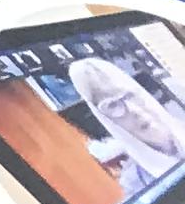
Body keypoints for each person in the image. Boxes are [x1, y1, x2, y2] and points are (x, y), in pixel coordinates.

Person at [71, 51, 185, 190]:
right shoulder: (136, 184)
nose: (133, 110)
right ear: (107, 120)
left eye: (130, 95)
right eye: (112, 105)